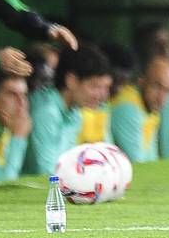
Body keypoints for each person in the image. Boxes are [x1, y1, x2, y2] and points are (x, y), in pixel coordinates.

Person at [23, 44, 112, 175]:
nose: (102, 95)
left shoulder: (75, 112)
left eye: (105, 88)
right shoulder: (46, 111)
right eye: (95, 86)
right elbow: (46, 171)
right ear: (71, 81)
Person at [110, 56, 169, 163]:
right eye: (157, 87)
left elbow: (151, 156)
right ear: (142, 81)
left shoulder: (151, 106)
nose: (162, 98)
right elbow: (137, 164)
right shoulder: (128, 108)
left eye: (168, 91)